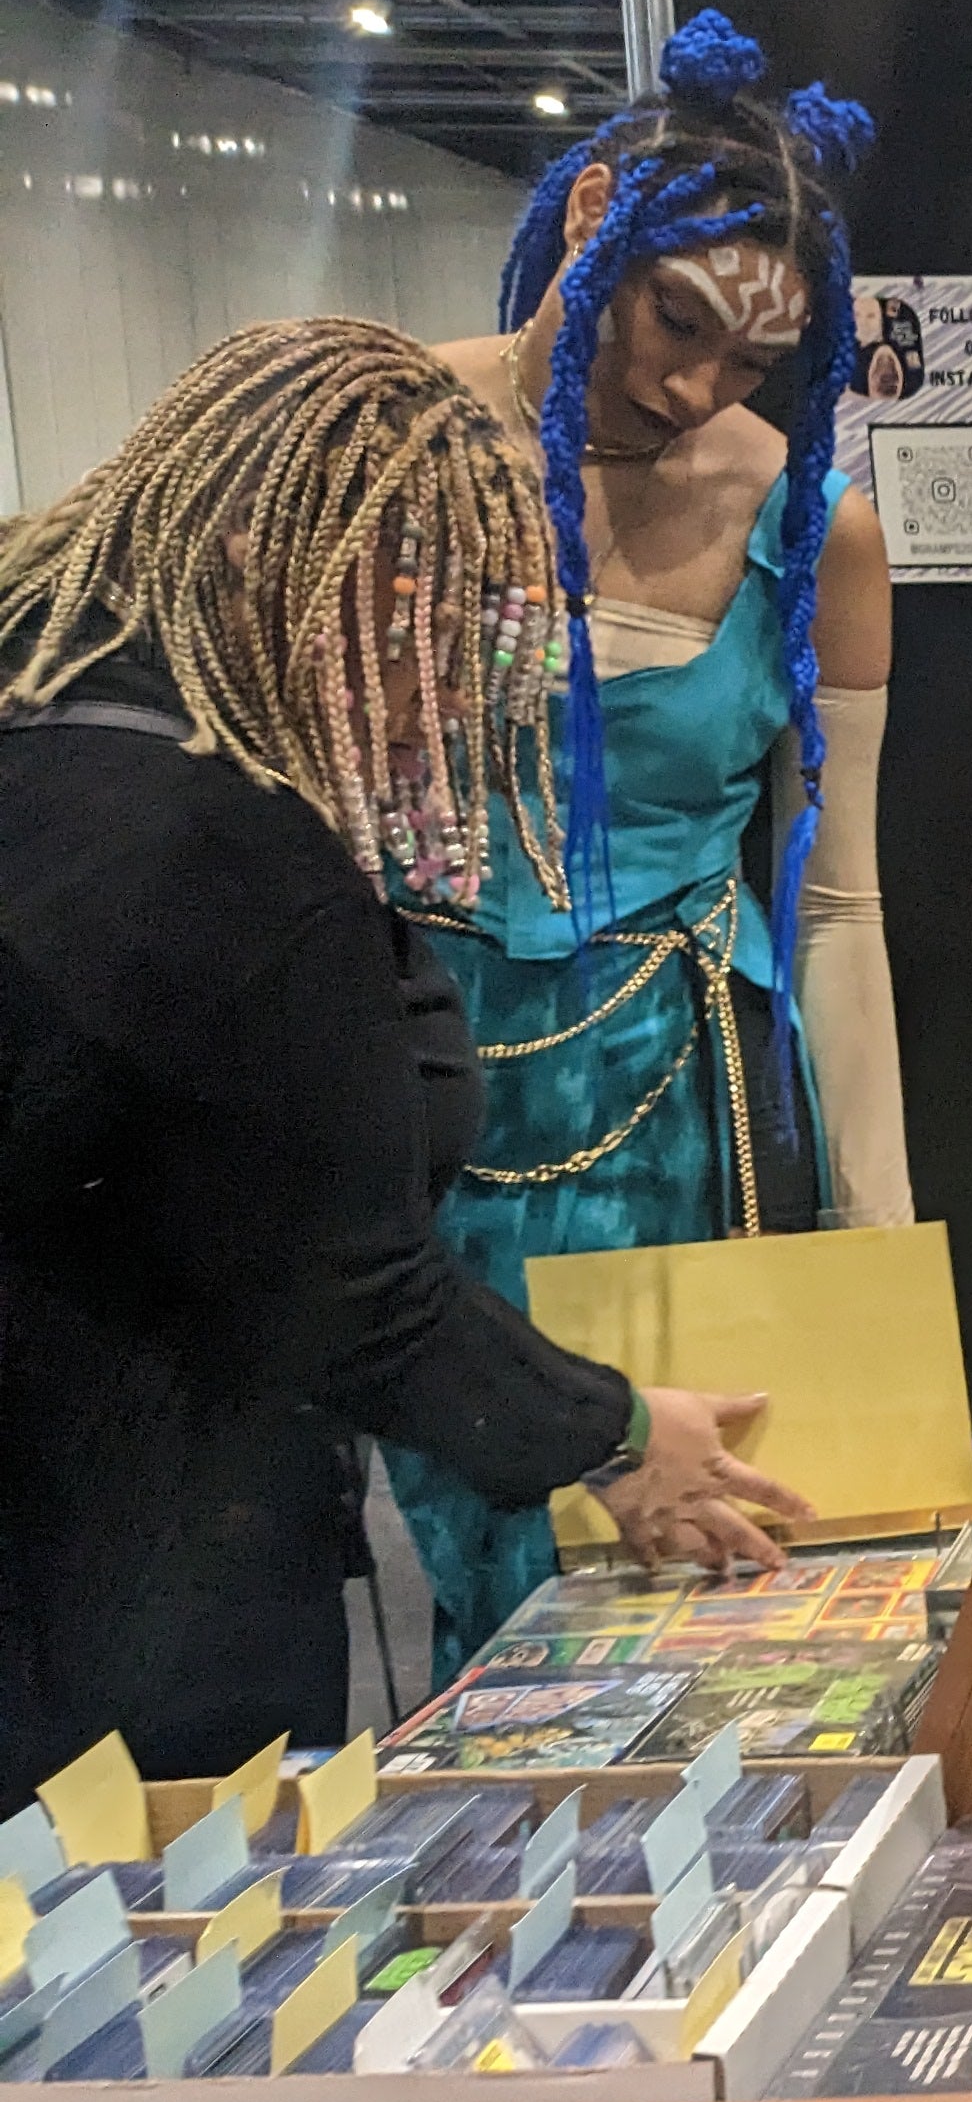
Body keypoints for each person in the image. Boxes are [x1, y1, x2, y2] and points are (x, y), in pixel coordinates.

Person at [0, 322, 813, 1800]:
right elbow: (344, 1278)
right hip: (115, 1596)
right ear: (345, 589)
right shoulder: (219, 852)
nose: (474, 678)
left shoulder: (51, 712)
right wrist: (620, 1429)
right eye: (461, 621)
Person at [396, 8, 900, 1672]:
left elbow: (839, 903)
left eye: (752, 361)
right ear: (596, 210)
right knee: (490, 1616)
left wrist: (880, 1241)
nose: (694, 388)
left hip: (699, 1118)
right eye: (673, 318)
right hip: (428, 1123)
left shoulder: (810, 524)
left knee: (728, 1609)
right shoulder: (388, 460)